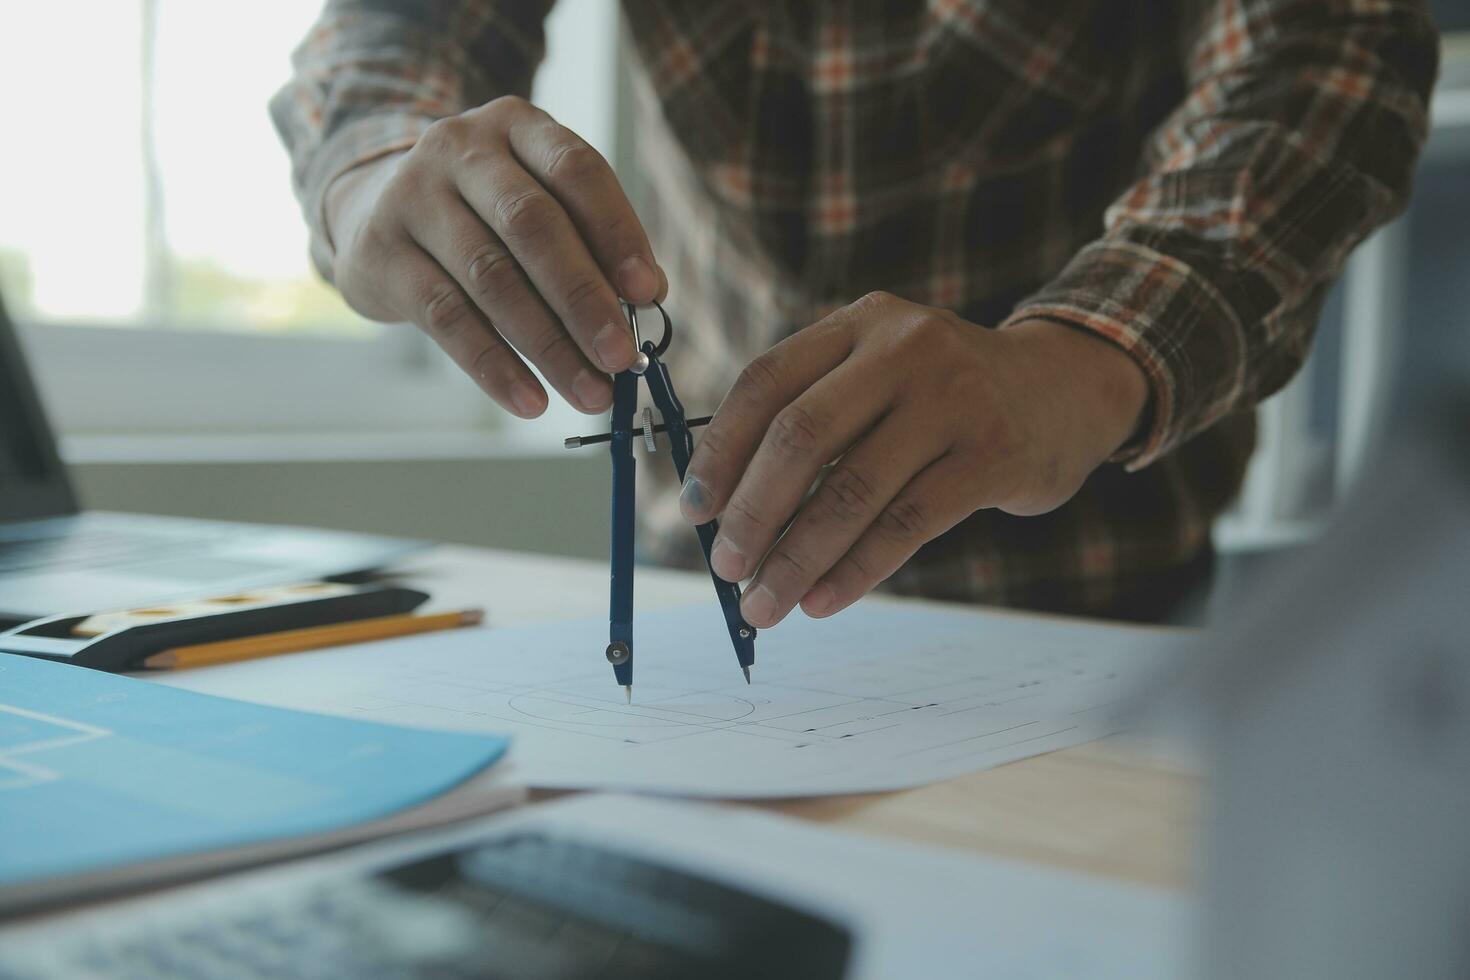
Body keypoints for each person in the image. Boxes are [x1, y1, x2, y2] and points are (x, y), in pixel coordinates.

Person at [272, 1, 1438, 627]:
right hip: (694, 588)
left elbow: (1321, 59)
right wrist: (370, 170)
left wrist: (1078, 357)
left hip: (1093, 608)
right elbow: (399, 29)